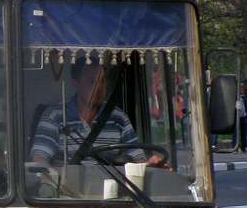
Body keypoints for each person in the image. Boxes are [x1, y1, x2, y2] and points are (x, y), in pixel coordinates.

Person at [29, 56, 164, 168]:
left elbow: (138, 160)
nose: (98, 87)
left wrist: (150, 163)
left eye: (102, 81)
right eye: (91, 81)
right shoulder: (54, 116)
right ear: (76, 84)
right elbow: (39, 159)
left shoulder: (118, 118)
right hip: (66, 195)